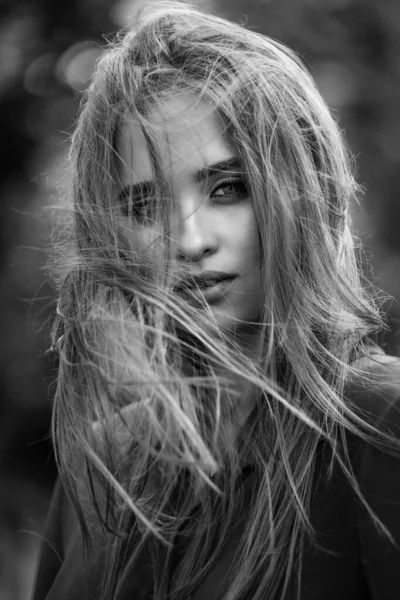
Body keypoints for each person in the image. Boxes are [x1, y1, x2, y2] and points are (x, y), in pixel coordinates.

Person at [32, 1, 400, 599]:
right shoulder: (101, 463)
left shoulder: (378, 424)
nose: (190, 240)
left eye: (229, 189)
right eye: (144, 206)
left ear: (300, 192)